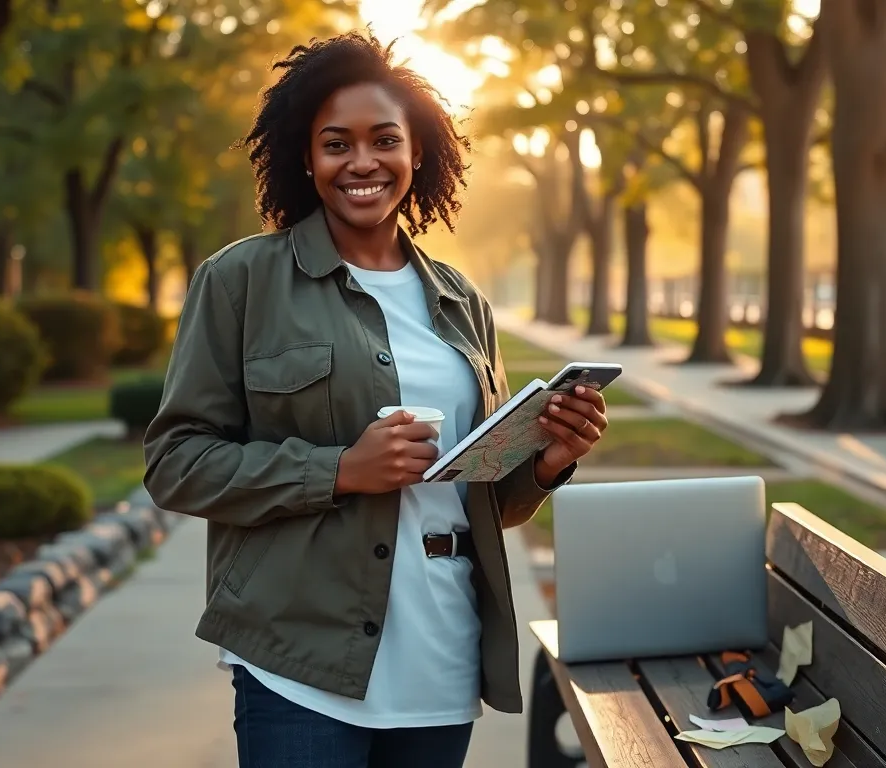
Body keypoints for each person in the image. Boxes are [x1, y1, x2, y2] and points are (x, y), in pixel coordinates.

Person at [141, 32, 609, 768]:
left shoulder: (463, 302)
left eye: (384, 140)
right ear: (305, 157)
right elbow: (175, 464)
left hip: (440, 659)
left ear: (416, 152)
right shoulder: (241, 282)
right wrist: (338, 470)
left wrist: (548, 460)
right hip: (299, 665)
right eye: (336, 144)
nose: (362, 162)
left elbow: (482, 499)